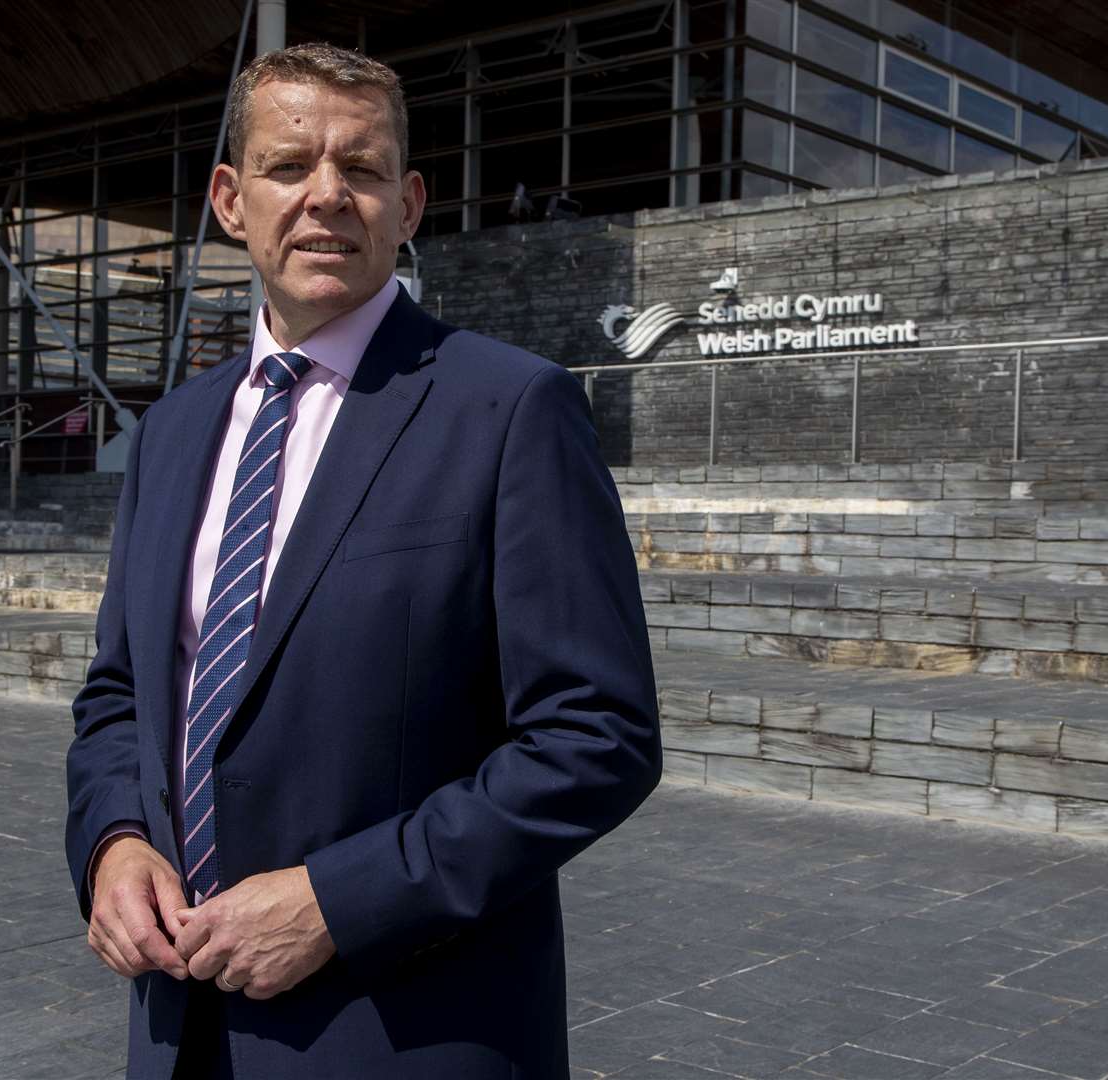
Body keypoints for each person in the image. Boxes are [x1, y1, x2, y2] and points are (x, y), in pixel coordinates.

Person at [63, 42, 661, 1080]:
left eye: (364, 168)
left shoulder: (509, 409)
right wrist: (112, 843)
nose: (327, 196)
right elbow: (119, 694)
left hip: (402, 1033)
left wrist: (340, 901)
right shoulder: (171, 434)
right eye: (290, 166)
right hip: (177, 1032)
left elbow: (596, 735)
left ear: (410, 201)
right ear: (230, 198)